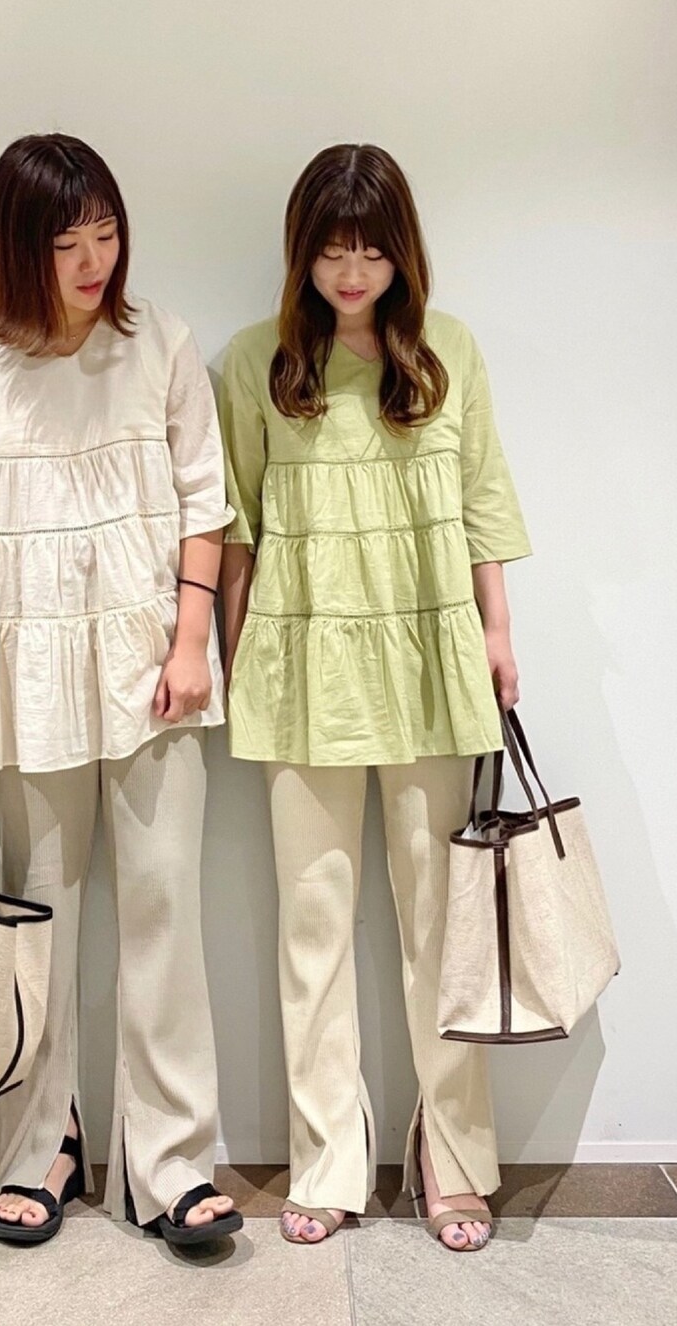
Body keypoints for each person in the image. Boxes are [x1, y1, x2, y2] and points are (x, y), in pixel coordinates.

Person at [0, 133, 242, 1248]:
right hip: (25, 675)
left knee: (164, 913)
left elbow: (205, 504)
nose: (94, 260)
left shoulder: (160, 346)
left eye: (105, 233)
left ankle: (170, 1161)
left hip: (155, 672)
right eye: (66, 243)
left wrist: (190, 645)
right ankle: (42, 1144)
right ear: (18, 247)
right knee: (36, 925)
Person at [219, 143, 531, 1251]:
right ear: (301, 253)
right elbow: (238, 528)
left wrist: (498, 635)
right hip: (301, 667)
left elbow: (482, 501)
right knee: (311, 926)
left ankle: (452, 1154)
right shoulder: (256, 362)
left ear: (403, 253)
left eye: (371, 251)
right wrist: (234, 658)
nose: (351, 273)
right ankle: (326, 1158)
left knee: (441, 925)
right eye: (331, 251)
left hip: (427, 660)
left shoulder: (450, 352)